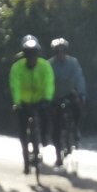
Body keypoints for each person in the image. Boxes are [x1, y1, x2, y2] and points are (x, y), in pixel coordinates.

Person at [9, 34, 54, 174]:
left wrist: (47, 98)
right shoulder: (17, 67)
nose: (32, 58)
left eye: (34, 55)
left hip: (40, 100)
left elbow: (49, 83)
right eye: (29, 55)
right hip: (24, 102)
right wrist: (17, 103)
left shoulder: (45, 65)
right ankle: (26, 159)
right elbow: (15, 86)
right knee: (22, 130)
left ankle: (44, 138)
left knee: (46, 118)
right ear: (24, 55)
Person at [48, 37, 87, 166]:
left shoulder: (73, 62)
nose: (60, 54)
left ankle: (76, 129)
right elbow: (46, 82)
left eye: (63, 51)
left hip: (70, 93)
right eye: (57, 52)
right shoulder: (49, 65)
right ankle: (58, 155)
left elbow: (79, 78)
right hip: (55, 96)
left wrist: (81, 93)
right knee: (55, 127)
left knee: (78, 107)